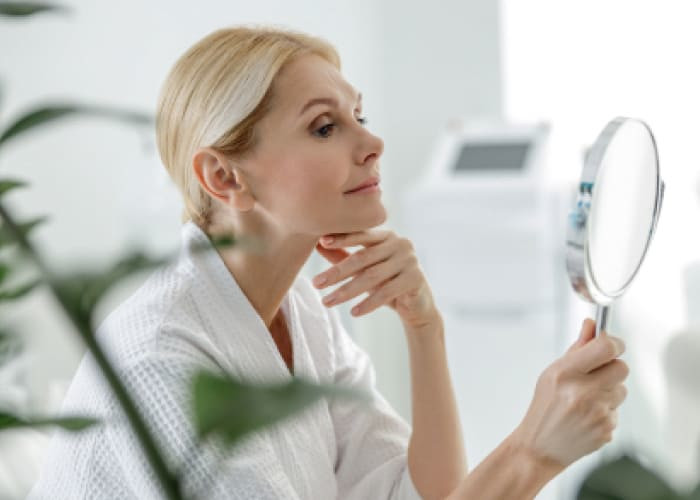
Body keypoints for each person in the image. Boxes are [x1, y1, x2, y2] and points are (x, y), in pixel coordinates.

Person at [28, 26, 629, 499]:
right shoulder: (164, 362)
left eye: (357, 117)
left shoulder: (300, 309)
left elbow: (424, 492)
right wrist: (532, 453)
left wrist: (425, 329)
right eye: (324, 127)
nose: (372, 143)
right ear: (223, 176)